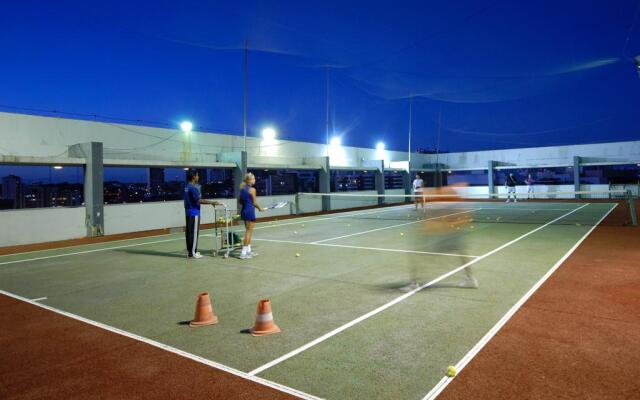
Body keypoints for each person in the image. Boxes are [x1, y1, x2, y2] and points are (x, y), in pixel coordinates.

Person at [184, 169, 221, 259]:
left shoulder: (186, 187)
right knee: (194, 233)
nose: (198, 177)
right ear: (193, 177)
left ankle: (190, 252)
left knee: (189, 233)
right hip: (194, 213)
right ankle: (193, 253)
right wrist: (212, 202)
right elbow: (199, 200)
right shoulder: (193, 188)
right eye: (197, 175)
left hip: (188, 212)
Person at [238, 173, 265, 259]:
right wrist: (260, 208)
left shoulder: (242, 189)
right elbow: (254, 202)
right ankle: (243, 253)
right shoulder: (252, 189)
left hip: (244, 211)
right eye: (253, 179)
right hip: (250, 212)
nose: (254, 180)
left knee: (248, 231)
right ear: (249, 180)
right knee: (248, 232)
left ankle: (248, 251)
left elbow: (240, 201)